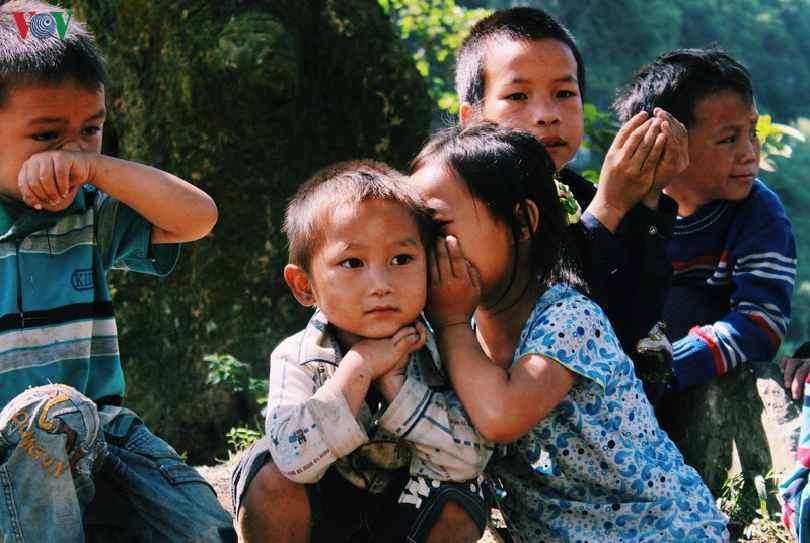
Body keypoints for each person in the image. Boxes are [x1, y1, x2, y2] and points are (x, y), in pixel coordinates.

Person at [409, 121, 729, 542]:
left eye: (436, 227)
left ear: (522, 221)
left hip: (661, 532)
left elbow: (501, 418)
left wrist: (449, 323)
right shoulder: (460, 331)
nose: (418, 246)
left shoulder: (569, 320)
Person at [0, 2, 236, 541]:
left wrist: (97, 169)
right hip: (5, 453)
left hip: (101, 437)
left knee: (204, 528)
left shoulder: (91, 213)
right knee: (40, 419)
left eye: (90, 129)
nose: (70, 151)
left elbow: (199, 217)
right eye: (45, 135)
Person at [231, 161, 494, 543]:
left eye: (401, 259)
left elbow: (468, 462)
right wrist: (358, 367)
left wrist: (397, 385)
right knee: (269, 475)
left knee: (459, 499)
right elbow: (293, 459)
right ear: (304, 285)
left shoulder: (446, 350)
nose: (381, 284)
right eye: (352, 262)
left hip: (407, 515)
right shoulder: (297, 357)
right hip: (322, 511)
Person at [453, 6, 689, 405]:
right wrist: (610, 206)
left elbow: (631, 322)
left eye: (564, 93)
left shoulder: (580, 194)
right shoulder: (466, 209)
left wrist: (649, 197)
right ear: (471, 119)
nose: (547, 115)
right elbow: (553, 320)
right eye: (517, 96)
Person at [613, 47, 797, 393]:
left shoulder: (761, 215)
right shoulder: (624, 203)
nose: (750, 153)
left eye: (752, 132)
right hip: (629, 354)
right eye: (728, 139)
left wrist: (673, 365)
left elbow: (763, 322)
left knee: (682, 304)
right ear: (667, 143)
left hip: (685, 358)